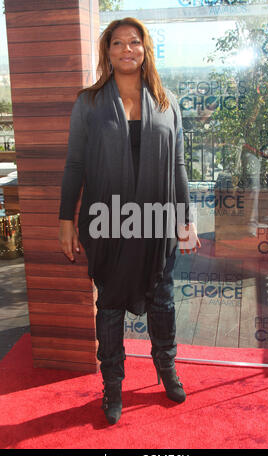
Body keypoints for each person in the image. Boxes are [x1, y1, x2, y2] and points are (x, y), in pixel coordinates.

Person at [58, 17, 200, 425]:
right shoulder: (88, 102)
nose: (126, 49)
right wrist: (66, 220)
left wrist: (185, 219)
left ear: (144, 49)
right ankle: (113, 384)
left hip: (156, 221)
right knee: (112, 305)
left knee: (163, 299)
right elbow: (74, 165)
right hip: (107, 220)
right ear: (107, 52)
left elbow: (177, 164)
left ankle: (166, 367)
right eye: (117, 43)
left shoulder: (165, 101)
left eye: (134, 43)